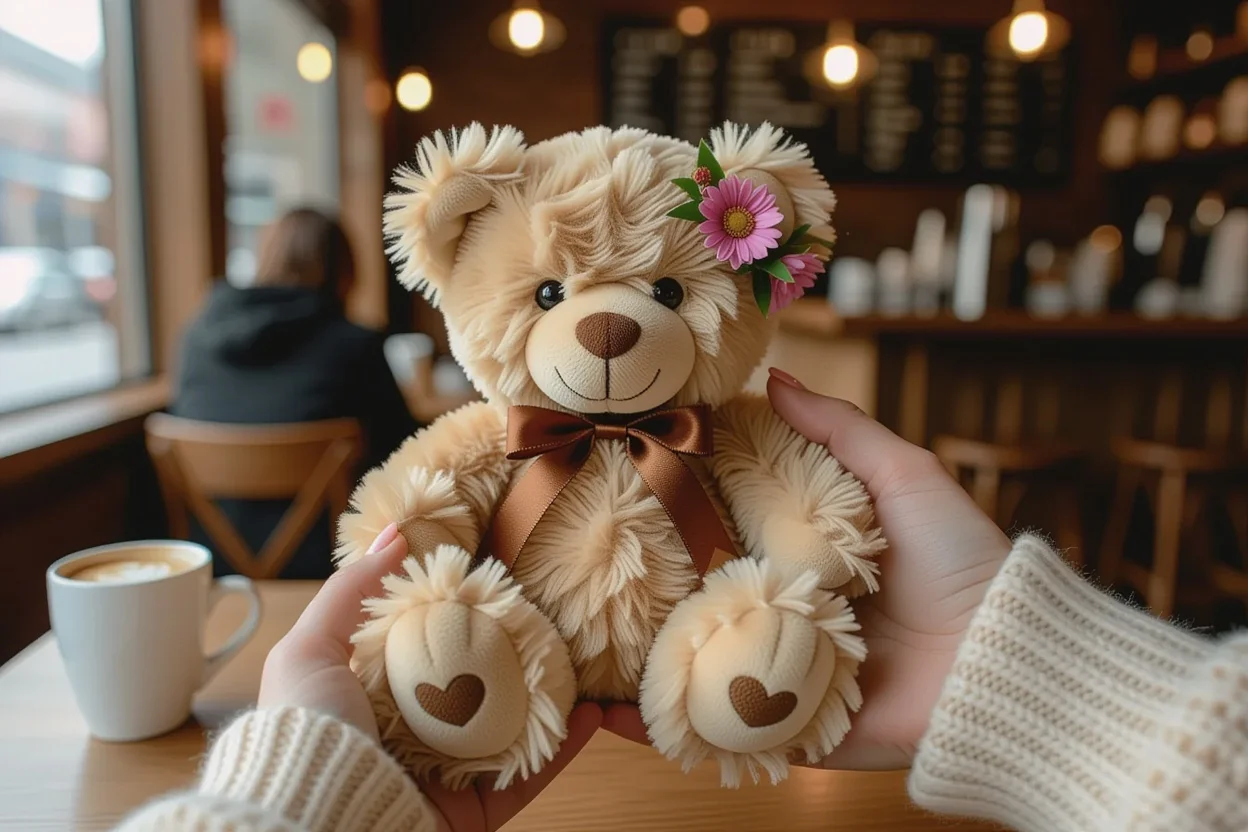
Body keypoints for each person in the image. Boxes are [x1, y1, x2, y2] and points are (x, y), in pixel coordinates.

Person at [122, 370, 1248, 831]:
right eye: (558, 293)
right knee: (433, 612)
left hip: (714, 638)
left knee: (776, 615)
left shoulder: (730, 429)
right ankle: (458, 660)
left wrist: (301, 799)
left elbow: (798, 502)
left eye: (663, 292)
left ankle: (749, 657)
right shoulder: (495, 428)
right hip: (508, 674)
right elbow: (418, 505)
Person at [172, 208, 418, 579]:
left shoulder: (195, 337)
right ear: (344, 270)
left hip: (208, 564)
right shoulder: (355, 346)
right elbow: (405, 450)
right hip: (334, 569)